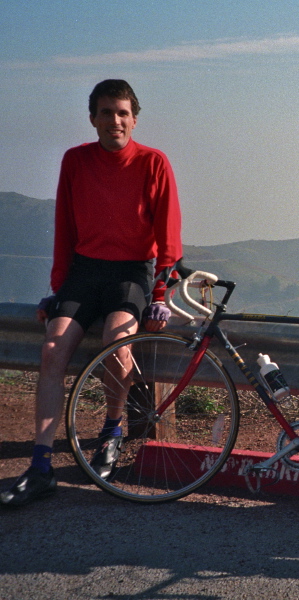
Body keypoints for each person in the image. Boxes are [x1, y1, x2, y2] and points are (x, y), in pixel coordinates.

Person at [0, 79, 183, 507]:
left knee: (116, 342)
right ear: (92, 119)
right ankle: (41, 465)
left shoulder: (154, 163)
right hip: (84, 272)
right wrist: (57, 289)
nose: (114, 120)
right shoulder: (75, 161)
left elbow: (169, 237)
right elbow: (64, 228)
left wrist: (160, 293)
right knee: (51, 351)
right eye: (106, 112)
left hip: (131, 273)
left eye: (122, 113)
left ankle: (111, 433)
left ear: (134, 119)